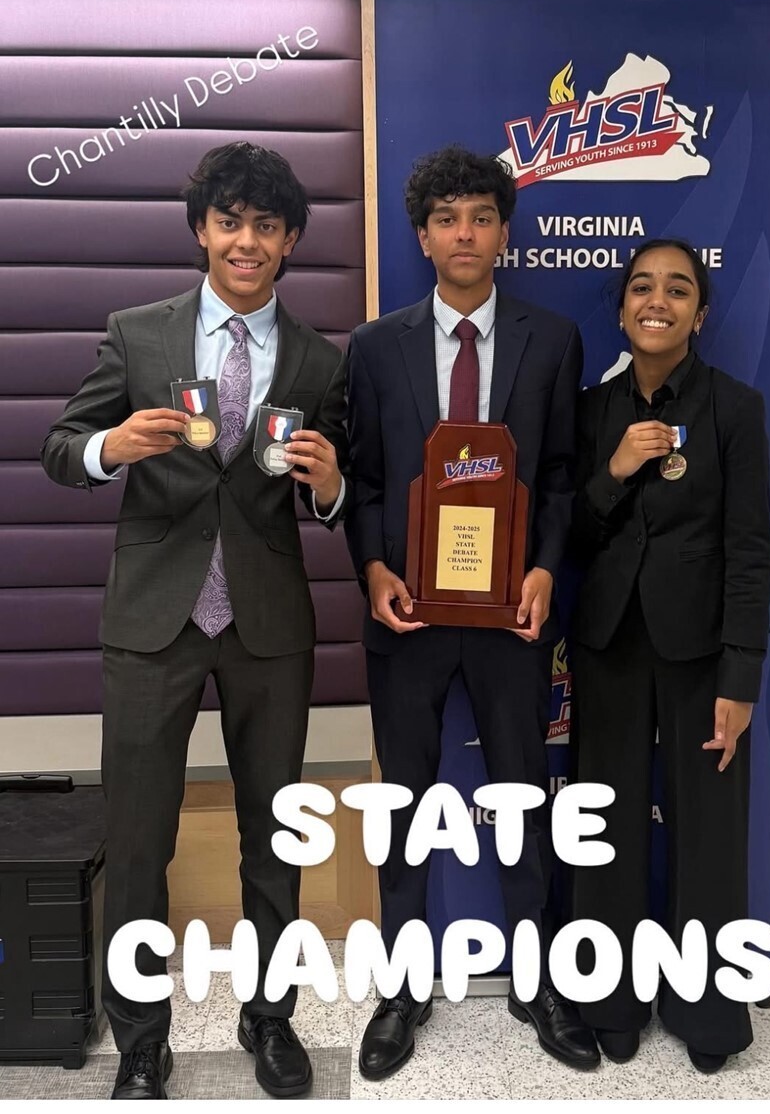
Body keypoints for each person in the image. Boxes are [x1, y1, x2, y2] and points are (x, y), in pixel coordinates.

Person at [40, 142, 349, 1099]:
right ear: (201, 231)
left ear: (290, 239)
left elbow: (336, 493)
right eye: (229, 223)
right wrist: (109, 444)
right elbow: (58, 448)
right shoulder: (136, 334)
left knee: (273, 837)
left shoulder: (317, 359)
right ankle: (139, 1036)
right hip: (152, 622)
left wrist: (333, 489)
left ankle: (270, 1020)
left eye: (265, 226)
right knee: (138, 839)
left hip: (266, 626)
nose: (245, 242)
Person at [344, 145, 599, 1080]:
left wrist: (542, 568)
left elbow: (563, 476)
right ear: (422, 235)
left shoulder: (552, 337)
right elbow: (366, 479)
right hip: (407, 612)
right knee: (404, 805)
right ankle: (403, 984)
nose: (464, 233)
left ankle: (538, 982)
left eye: (481, 216)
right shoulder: (375, 346)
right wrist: (372, 567)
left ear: (504, 232)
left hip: (511, 616)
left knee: (522, 798)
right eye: (447, 217)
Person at [568, 239, 770, 1073]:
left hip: (699, 659)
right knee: (607, 833)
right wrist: (612, 471)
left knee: (708, 841)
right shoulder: (589, 412)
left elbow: (749, 550)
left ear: (699, 311)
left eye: (678, 289)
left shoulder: (734, 407)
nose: (658, 301)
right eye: (641, 288)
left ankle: (709, 1012)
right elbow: (568, 539)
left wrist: (741, 675)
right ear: (620, 310)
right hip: (608, 649)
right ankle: (608, 1001)